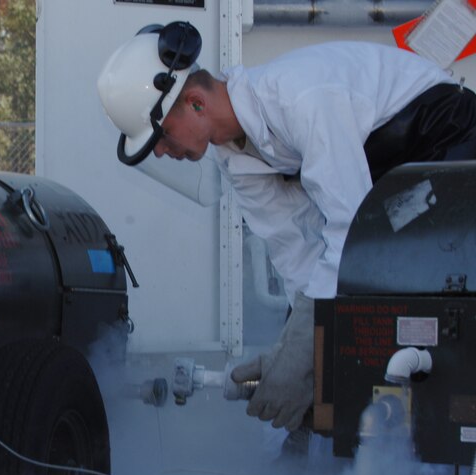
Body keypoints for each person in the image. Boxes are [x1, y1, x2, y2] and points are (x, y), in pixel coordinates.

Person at [97, 22, 476, 434]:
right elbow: (296, 252)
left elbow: (348, 227)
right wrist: (291, 355)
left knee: (416, 283)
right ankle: (325, 446)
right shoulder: (234, 159)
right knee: (343, 303)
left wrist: (306, 355)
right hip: (388, 172)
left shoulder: (300, 97)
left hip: (446, 137)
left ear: (195, 102)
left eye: (161, 134)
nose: (160, 150)